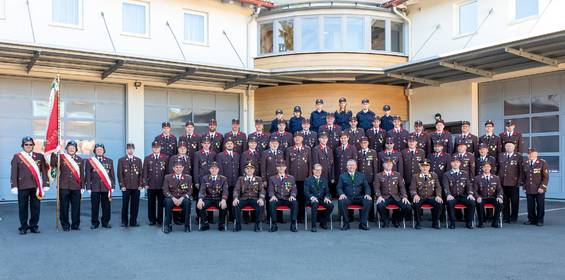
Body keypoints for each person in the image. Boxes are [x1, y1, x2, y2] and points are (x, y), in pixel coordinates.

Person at [11, 136, 49, 234]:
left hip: (36, 186)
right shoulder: (17, 156)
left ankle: (34, 226)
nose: (28, 146)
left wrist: (45, 184)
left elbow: (44, 171)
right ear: (22, 145)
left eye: (30, 144)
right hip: (22, 186)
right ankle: (23, 227)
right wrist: (14, 186)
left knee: (36, 207)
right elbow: (14, 172)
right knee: (22, 207)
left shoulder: (39, 156)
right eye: (26, 144)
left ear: (33, 146)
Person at [50, 140, 84, 231]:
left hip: (76, 187)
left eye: (73, 148)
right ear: (66, 149)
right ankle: (65, 225)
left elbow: (82, 175)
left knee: (76, 207)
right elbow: (52, 164)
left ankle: (75, 225)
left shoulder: (80, 160)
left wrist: (82, 187)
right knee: (64, 207)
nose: (72, 149)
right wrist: (54, 153)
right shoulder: (61, 157)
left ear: (76, 149)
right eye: (70, 148)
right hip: (64, 186)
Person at [86, 143, 115, 229]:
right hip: (94, 187)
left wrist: (112, 186)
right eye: (97, 149)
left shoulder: (109, 161)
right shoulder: (90, 161)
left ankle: (105, 222)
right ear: (95, 151)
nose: (99, 151)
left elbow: (112, 175)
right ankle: (95, 223)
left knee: (106, 206)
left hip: (106, 187)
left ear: (104, 151)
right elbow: (88, 174)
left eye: (101, 149)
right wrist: (88, 187)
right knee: (94, 206)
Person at [374, 158, 411, 228]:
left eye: (390, 164)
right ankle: (385, 220)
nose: (389, 165)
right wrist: (379, 196)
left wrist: (404, 197)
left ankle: (397, 219)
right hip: (384, 197)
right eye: (386, 163)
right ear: (383, 165)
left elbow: (402, 187)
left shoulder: (397, 174)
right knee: (380, 206)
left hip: (396, 197)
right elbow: (376, 188)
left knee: (408, 207)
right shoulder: (378, 175)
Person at [337, 159, 372, 231]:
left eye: (353, 165)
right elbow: (339, 187)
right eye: (349, 165)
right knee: (341, 201)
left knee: (368, 201)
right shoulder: (342, 176)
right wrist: (342, 194)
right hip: (348, 197)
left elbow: (366, 186)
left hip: (359, 197)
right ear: (347, 166)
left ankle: (363, 224)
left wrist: (367, 194)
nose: (351, 166)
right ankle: (346, 224)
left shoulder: (361, 175)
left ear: (356, 166)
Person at [285, 132, 312, 223]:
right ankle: (294, 216)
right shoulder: (289, 150)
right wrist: (287, 176)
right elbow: (287, 164)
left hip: (304, 178)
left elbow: (310, 163)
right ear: (293, 139)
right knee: (294, 197)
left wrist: (309, 177)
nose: (297, 139)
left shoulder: (307, 149)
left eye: (299, 137)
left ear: (302, 139)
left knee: (302, 198)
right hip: (292, 179)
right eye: (295, 137)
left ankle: (302, 216)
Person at [443, 158, 475, 229]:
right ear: (451, 164)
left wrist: (470, 194)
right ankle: (452, 223)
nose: (455, 164)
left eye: (457, 162)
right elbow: (445, 186)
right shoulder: (447, 174)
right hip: (452, 196)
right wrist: (448, 194)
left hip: (463, 196)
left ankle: (469, 223)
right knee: (450, 203)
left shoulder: (464, 173)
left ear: (460, 164)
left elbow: (469, 185)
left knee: (472, 202)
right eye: (454, 162)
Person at [410, 159, 443, 229]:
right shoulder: (415, 176)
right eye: (423, 166)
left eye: (426, 166)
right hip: (420, 197)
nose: (425, 168)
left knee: (439, 203)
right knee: (416, 203)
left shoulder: (434, 175)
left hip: (431, 197)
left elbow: (438, 187)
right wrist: (415, 195)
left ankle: (435, 222)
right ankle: (418, 223)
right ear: (420, 167)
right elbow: (412, 188)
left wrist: (438, 195)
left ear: (429, 167)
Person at [142, 140, 169, 226]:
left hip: (162, 185)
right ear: (152, 148)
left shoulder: (165, 157)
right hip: (151, 184)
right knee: (151, 203)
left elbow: (167, 172)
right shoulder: (148, 158)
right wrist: (145, 183)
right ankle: (152, 219)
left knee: (161, 203)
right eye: (154, 147)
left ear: (160, 148)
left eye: (157, 147)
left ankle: (160, 220)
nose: (156, 149)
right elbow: (145, 172)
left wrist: (167, 184)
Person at [162, 160, 193, 233]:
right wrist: (173, 198)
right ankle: (168, 226)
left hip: (183, 198)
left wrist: (182, 198)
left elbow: (190, 191)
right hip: (172, 198)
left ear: (183, 168)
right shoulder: (167, 177)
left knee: (187, 202)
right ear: (173, 168)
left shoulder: (188, 178)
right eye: (176, 167)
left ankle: (187, 225)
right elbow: (165, 190)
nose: (178, 169)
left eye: (180, 167)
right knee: (168, 202)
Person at [233, 162, 265, 232]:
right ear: (245, 170)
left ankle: (257, 224)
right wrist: (235, 198)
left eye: (251, 169)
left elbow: (262, 190)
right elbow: (236, 190)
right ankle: (238, 224)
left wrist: (261, 198)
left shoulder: (258, 179)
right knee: (236, 205)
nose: (249, 170)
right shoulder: (240, 179)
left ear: (254, 170)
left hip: (254, 198)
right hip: (244, 198)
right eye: (247, 169)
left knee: (260, 205)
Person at [197, 162, 229, 231]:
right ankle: (205, 223)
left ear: (218, 170)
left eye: (215, 169)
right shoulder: (205, 178)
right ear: (209, 170)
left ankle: (221, 224)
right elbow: (202, 189)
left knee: (223, 206)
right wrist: (200, 199)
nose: (214, 170)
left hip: (218, 198)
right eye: (212, 169)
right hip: (208, 198)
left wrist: (223, 200)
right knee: (200, 205)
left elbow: (225, 191)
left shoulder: (223, 179)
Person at [117, 142, 143, 228]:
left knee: (135, 205)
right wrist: (122, 185)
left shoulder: (138, 160)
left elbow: (141, 174)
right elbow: (120, 174)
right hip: (126, 187)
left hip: (136, 187)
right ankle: (124, 222)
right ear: (126, 150)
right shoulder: (121, 160)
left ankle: (133, 221)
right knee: (125, 205)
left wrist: (140, 185)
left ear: (134, 150)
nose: (130, 150)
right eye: (129, 148)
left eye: (132, 148)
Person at [268, 161, 298, 232]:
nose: (281, 168)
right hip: (277, 198)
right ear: (277, 168)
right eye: (279, 167)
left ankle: (293, 224)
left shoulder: (291, 178)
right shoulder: (272, 178)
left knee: (295, 203)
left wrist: (292, 196)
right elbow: (270, 189)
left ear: (285, 168)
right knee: (271, 203)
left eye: (282, 167)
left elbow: (294, 189)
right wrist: (272, 196)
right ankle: (274, 224)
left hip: (288, 198)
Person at [522, 148, 549, 226]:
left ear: (536, 154)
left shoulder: (542, 163)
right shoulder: (525, 163)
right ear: (528, 155)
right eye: (530, 154)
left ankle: (540, 220)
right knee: (530, 205)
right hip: (529, 188)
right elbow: (524, 177)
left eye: (533, 154)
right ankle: (531, 219)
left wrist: (543, 187)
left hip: (539, 188)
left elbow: (545, 177)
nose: (531, 155)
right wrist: (524, 187)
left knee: (540, 205)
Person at [498, 140, 523, 224]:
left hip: (513, 183)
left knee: (514, 201)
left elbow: (521, 170)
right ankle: (506, 217)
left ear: (514, 147)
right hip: (502, 182)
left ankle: (514, 218)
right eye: (507, 146)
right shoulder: (501, 155)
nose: (509, 148)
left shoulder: (518, 156)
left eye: (510, 146)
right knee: (504, 201)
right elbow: (498, 168)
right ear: (505, 147)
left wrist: (519, 182)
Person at [304, 164, 334, 232]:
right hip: (311, 200)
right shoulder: (308, 180)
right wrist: (312, 197)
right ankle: (313, 226)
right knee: (315, 204)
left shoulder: (324, 179)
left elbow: (327, 192)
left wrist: (327, 197)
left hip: (321, 199)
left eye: (320, 170)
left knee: (331, 206)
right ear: (313, 171)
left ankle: (323, 222)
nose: (318, 171)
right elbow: (306, 192)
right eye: (317, 170)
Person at [216, 139, 240, 221]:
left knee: (234, 199)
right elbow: (220, 169)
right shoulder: (220, 155)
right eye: (228, 144)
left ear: (234, 145)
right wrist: (222, 181)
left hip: (235, 181)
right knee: (227, 199)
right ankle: (225, 217)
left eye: (231, 143)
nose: (229, 145)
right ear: (225, 145)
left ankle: (233, 217)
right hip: (225, 182)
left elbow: (239, 169)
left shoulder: (237, 155)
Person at [473, 162, 503, 228]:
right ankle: (481, 222)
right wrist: (477, 197)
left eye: (488, 166)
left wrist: (499, 197)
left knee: (499, 204)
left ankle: (495, 222)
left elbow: (499, 189)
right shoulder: (477, 178)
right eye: (485, 167)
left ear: (490, 168)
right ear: (482, 168)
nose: (486, 168)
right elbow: (474, 190)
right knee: (479, 203)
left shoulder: (496, 178)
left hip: (492, 197)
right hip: (482, 197)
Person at [357, 137, 379, 222]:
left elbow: (375, 167)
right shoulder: (358, 153)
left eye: (365, 143)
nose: (364, 144)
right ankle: (361, 215)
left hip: (370, 179)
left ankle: (371, 216)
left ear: (368, 143)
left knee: (370, 198)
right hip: (360, 180)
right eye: (362, 143)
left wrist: (375, 180)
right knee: (361, 197)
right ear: (360, 144)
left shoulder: (373, 152)